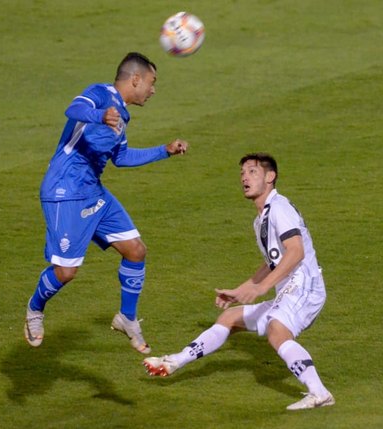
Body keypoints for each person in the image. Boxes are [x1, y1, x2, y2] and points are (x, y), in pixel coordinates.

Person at [24, 52, 189, 353]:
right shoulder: (101, 94)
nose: (153, 90)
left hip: (93, 192)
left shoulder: (122, 116)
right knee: (66, 272)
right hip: (65, 191)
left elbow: (122, 158)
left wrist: (165, 150)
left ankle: (127, 317)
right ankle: (35, 309)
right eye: (151, 83)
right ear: (135, 79)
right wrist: (99, 115)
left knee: (136, 250)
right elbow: (72, 109)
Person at [143, 153, 334, 411]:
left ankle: (319, 393)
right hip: (290, 288)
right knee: (229, 317)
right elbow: (272, 261)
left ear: (270, 177)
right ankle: (174, 361)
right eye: (242, 173)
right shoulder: (262, 218)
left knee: (277, 330)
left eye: (252, 172)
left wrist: (261, 288)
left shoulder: (279, 208)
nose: (244, 177)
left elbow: (296, 251)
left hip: (304, 286)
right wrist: (243, 289)